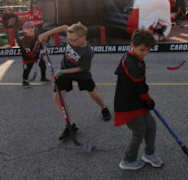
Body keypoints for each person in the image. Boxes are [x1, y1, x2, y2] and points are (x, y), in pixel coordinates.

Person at [39, 22, 112, 140]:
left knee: (93, 93)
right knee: (57, 97)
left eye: (74, 40)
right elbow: (63, 27)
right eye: (69, 40)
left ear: (83, 37)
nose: (71, 42)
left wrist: (61, 72)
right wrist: (45, 34)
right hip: (65, 69)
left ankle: (104, 108)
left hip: (80, 73)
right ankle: (69, 125)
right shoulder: (72, 33)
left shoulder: (88, 51)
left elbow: (81, 68)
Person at [114, 29, 163, 170]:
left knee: (151, 125)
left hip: (137, 100)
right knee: (139, 130)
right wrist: (148, 100)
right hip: (127, 104)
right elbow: (140, 86)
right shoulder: (129, 62)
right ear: (132, 45)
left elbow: (141, 86)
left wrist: (145, 99)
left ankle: (149, 154)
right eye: (141, 49)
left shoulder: (138, 59)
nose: (144, 53)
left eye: (147, 50)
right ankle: (127, 160)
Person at [16, 21, 49, 87]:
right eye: (27, 28)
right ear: (24, 29)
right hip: (27, 56)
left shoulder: (36, 34)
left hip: (36, 54)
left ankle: (43, 77)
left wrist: (42, 50)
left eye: (31, 28)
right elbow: (26, 49)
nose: (30, 29)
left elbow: (39, 43)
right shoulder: (22, 38)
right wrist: (33, 54)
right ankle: (24, 81)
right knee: (27, 69)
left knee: (43, 65)